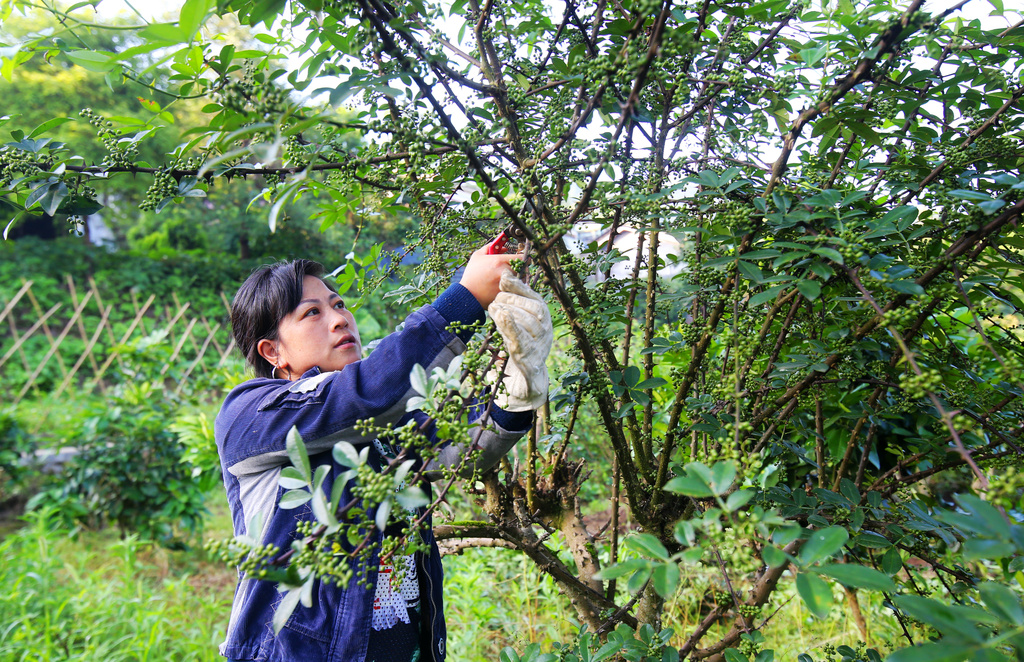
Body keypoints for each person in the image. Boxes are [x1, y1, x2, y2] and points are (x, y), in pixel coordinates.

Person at [214, 244, 553, 662]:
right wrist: (464, 299)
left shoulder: (380, 420)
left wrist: (516, 392)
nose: (340, 318)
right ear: (272, 351)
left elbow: (459, 450)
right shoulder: (252, 413)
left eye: (338, 305)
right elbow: (362, 395)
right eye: (312, 313)